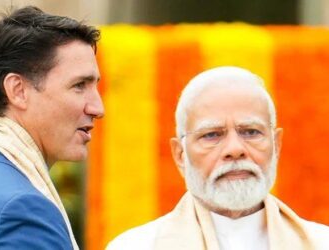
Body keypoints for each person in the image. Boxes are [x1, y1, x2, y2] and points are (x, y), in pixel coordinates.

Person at [107, 66, 329, 250]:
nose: (234, 149)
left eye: (251, 132)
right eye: (212, 135)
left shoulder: (321, 242)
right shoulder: (135, 246)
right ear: (180, 155)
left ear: (276, 144)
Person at [0, 6, 103, 250]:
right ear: (18, 90)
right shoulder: (22, 210)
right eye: (79, 85)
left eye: (95, 85)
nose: (98, 108)